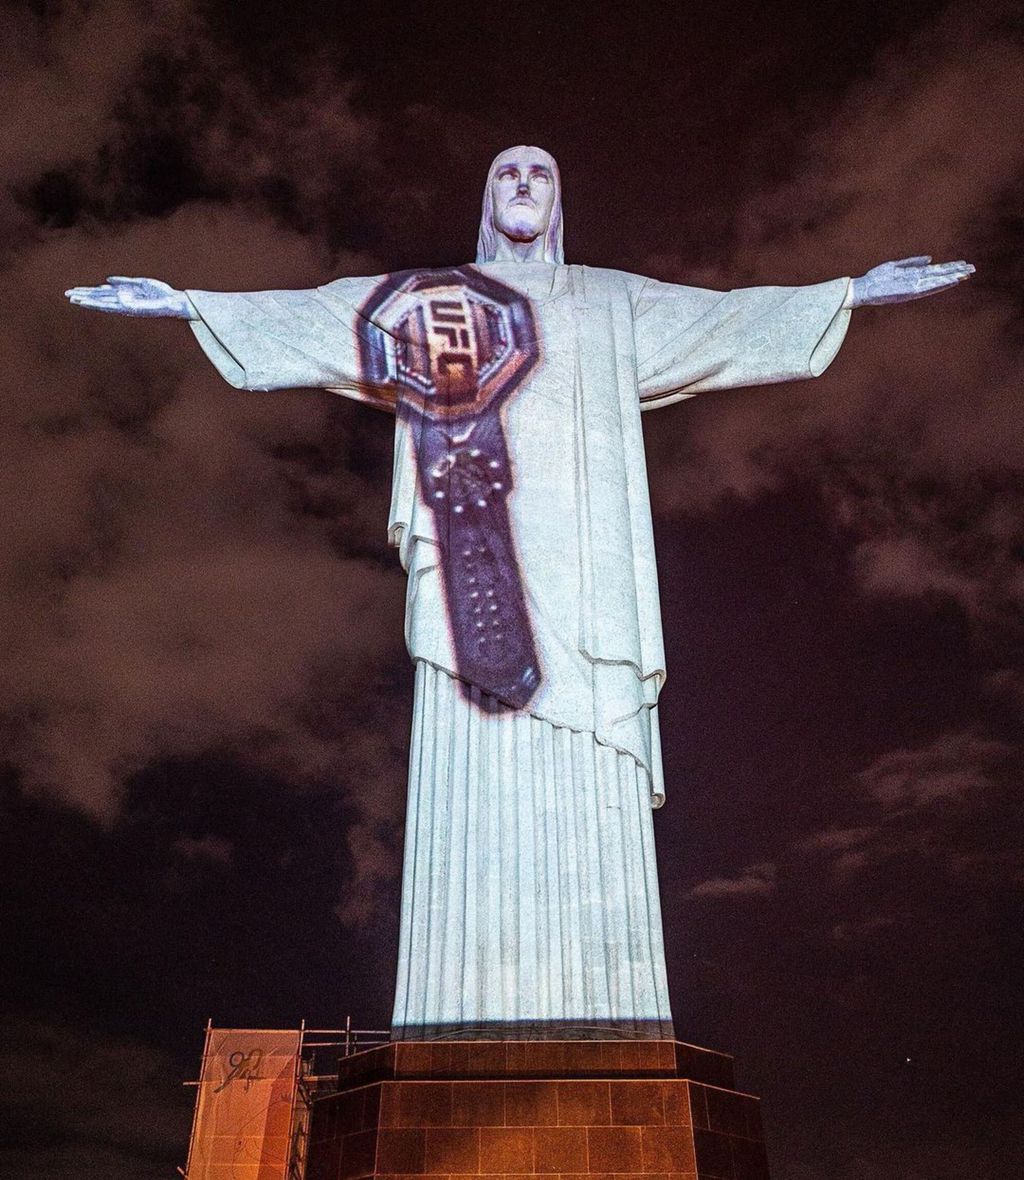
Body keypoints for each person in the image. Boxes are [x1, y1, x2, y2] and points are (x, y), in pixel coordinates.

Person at [66, 146, 974, 1040]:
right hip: (474, 573)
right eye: (508, 172)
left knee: (590, 766)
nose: (525, 184)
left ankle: (611, 1017)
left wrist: (849, 293)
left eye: (541, 173)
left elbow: (728, 320)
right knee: (474, 759)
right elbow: (323, 316)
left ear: (560, 199)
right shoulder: (435, 301)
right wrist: (190, 304)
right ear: (487, 197)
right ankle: (452, 1014)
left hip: (587, 579)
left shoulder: (610, 300)